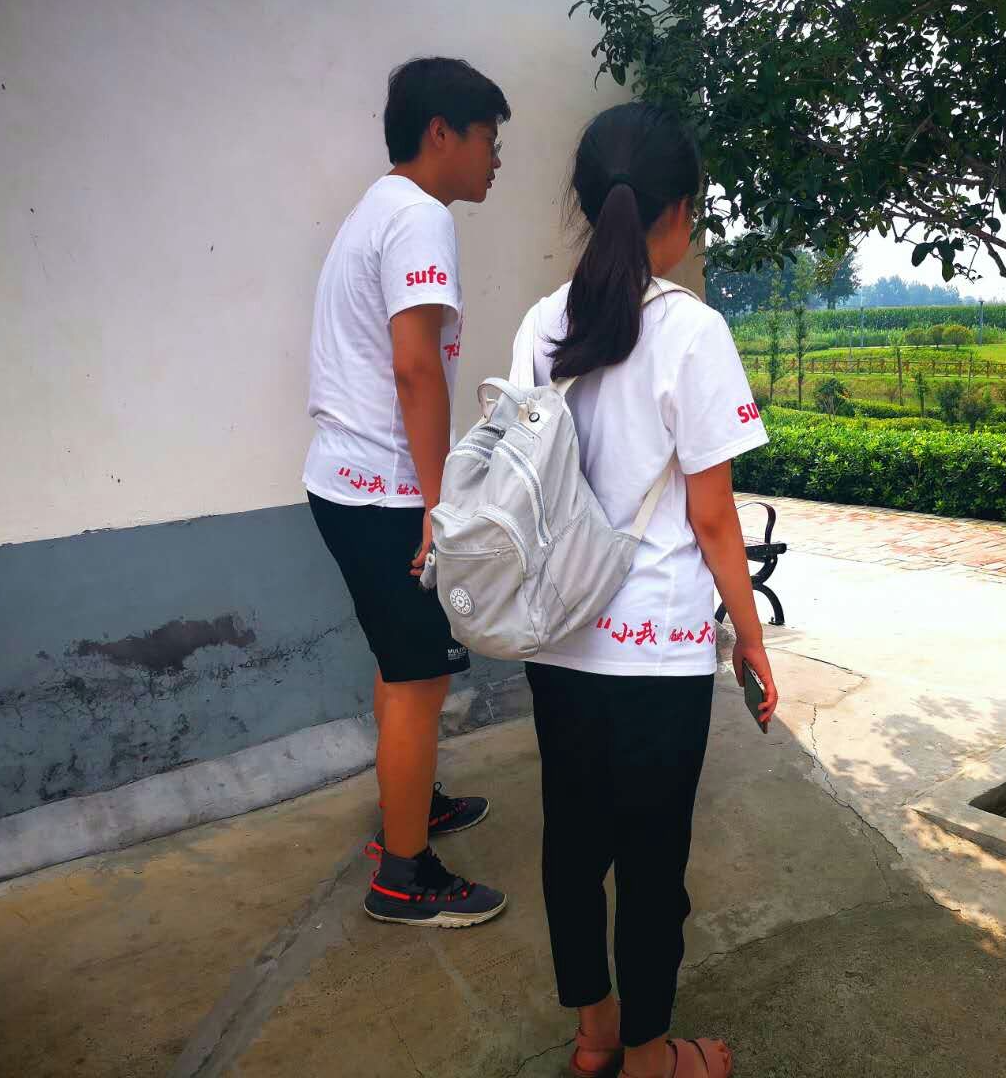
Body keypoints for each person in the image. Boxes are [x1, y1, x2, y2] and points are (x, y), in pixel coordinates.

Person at [515, 102, 776, 1078]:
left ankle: (596, 1039)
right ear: (680, 211)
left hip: (559, 637)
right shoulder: (694, 332)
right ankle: (655, 1056)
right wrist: (752, 639)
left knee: (573, 850)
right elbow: (714, 520)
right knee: (652, 864)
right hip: (657, 652)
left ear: (590, 205)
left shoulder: (544, 323)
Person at [303, 58, 511, 926]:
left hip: (346, 484)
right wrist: (438, 503)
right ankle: (404, 875)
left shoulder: (377, 208)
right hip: (386, 494)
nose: (495, 158)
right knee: (421, 677)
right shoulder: (420, 217)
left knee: (402, 666)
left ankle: (411, 806)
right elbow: (416, 367)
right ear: (441, 132)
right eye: (489, 138)